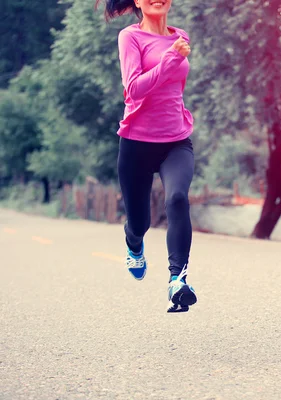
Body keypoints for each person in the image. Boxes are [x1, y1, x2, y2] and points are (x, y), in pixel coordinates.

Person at [96, 0, 197, 313]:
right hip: (137, 143)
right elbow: (133, 90)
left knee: (178, 199)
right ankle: (133, 243)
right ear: (137, 1)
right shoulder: (131, 37)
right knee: (140, 222)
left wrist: (173, 54)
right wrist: (170, 58)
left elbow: (173, 88)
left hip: (176, 140)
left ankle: (177, 280)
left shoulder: (180, 37)